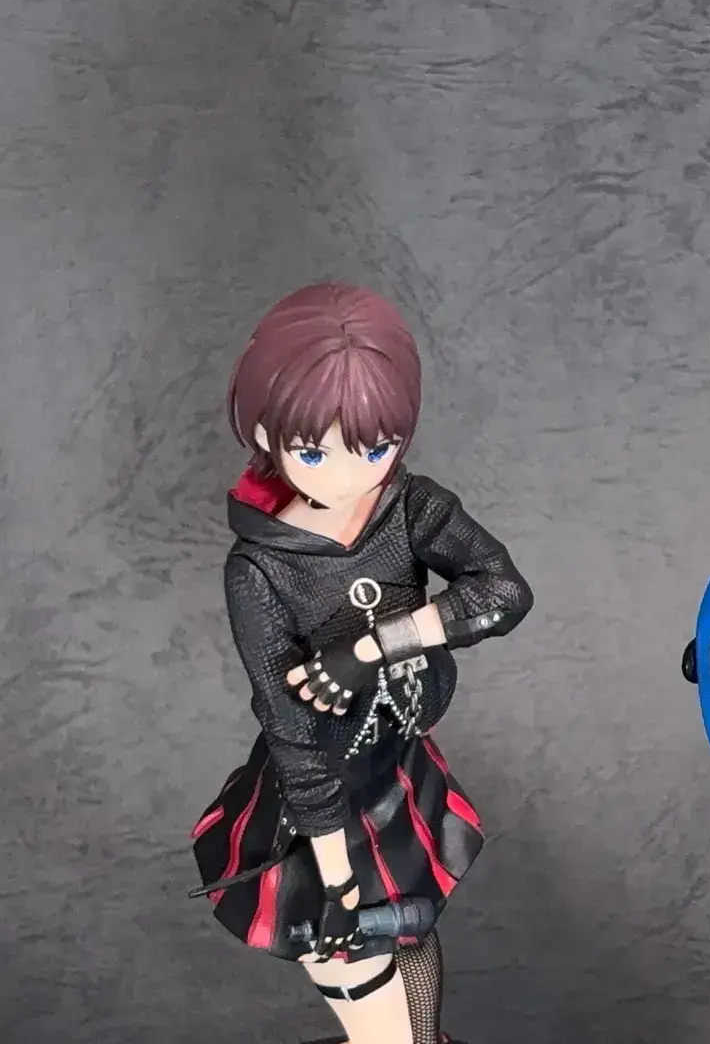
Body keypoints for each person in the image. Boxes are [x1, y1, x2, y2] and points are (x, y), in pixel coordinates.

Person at [189, 283, 534, 1044]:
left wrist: (374, 646)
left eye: (373, 448)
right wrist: (338, 877)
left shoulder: (407, 507)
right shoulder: (259, 569)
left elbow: (504, 592)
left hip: (397, 767)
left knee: (411, 942)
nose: (346, 478)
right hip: (320, 803)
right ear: (263, 429)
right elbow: (291, 733)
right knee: (360, 982)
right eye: (313, 451)